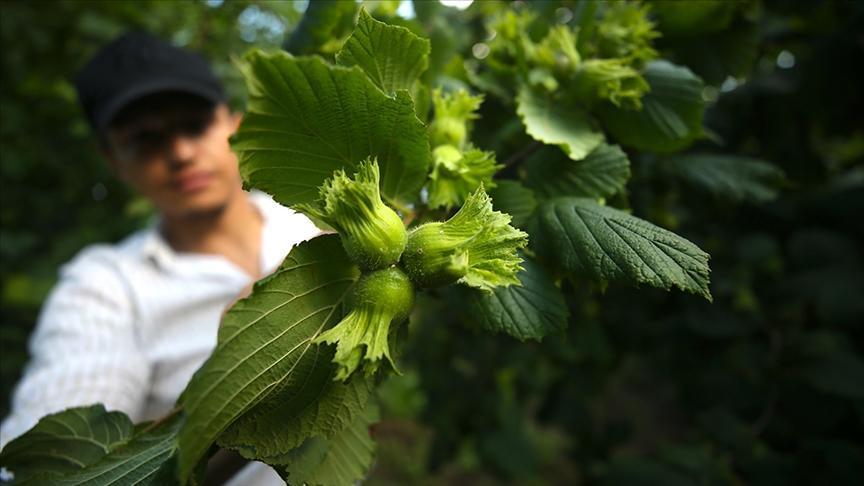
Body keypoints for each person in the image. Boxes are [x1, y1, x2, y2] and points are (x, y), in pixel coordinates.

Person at [0, 33, 319, 484]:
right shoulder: (104, 290)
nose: (181, 153)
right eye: (145, 139)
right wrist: (239, 370)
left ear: (235, 123)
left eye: (194, 125)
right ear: (112, 160)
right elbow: (58, 471)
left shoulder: (311, 218)